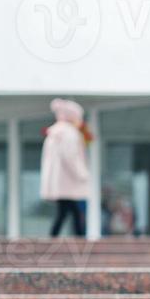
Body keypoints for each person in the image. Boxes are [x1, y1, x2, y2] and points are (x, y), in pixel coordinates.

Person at [41, 98, 90, 238]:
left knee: (65, 211)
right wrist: (82, 173)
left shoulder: (54, 133)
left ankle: (58, 236)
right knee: (73, 211)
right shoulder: (69, 133)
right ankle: (80, 239)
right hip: (68, 181)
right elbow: (71, 156)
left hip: (60, 181)